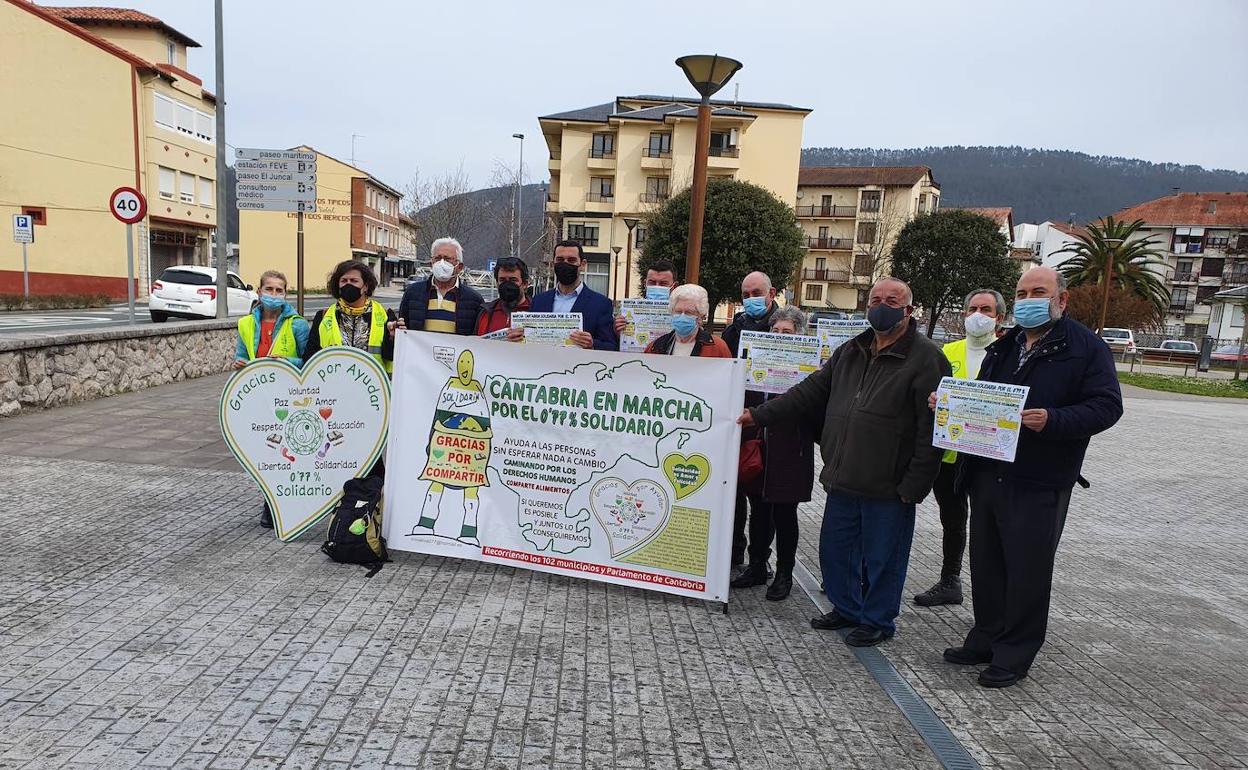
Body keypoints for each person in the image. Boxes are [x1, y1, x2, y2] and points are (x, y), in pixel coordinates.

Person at [739, 278, 949, 647]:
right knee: (836, 550)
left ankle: (878, 619)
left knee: (883, 557)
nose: (881, 306)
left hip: (889, 482)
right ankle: (846, 607)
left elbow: (931, 427)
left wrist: (916, 484)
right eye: (875, 300)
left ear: (908, 310)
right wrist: (759, 415)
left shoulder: (927, 357)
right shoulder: (850, 350)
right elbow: (808, 392)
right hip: (842, 474)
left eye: (892, 300)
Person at [939, 267, 1122, 688]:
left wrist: (1054, 420)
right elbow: (982, 398)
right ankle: (985, 637)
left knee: (1027, 569)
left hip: (1039, 479)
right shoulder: (1006, 346)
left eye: (1038, 292)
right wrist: (948, 404)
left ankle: (1014, 654)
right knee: (986, 565)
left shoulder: (1085, 348)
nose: (1027, 300)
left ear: (1062, 299)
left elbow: (1107, 407)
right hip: (988, 471)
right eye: (1021, 293)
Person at [913, 289, 1007, 608]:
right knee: (952, 519)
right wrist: (932, 401)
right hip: (950, 453)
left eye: (985, 309)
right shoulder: (947, 351)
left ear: (1000, 317)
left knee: (989, 524)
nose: (977, 315)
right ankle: (950, 579)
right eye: (971, 309)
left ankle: (993, 589)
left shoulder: (1009, 353)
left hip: (989, 457)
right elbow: (932, 391)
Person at [729, 305, 815, 600]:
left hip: (791, 449)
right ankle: (756, 565)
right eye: (775, 331)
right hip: (758, 446)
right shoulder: (753, 362)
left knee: (785, 513)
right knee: (759, 510)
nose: (779, 337)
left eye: (787, 332)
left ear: (800, 336)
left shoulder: (809, 371)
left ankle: (784, 573)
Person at [232, 269, 310, 528]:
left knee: (286, 453)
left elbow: (309, 360)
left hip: (288, 398)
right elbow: (242, 355)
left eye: (279, 290)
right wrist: (240, 365)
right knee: (266, 453)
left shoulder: (296, 324)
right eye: (270, 289)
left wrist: (287, 362)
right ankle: (271, 500)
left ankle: (280, 506)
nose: (274, 295)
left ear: (286, 294)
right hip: (260, 397)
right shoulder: (246, 324)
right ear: (259, 292)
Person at [722, 271, 781, 567]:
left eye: (756, 292)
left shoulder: (785, 328)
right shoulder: (734, 330)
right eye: (745, 295)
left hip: (771, 425)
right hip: (737, 421)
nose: (751, 299)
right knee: (733, 496)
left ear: (771, 294)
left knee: (763, 501)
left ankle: (760, 560)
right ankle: (732, 555)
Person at [305, 259, 397, 373]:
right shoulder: (323, 316)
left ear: (366, 286)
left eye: (354, 281)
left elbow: (393, 356)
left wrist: (393, 338)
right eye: (344, 280)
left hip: (373, 385)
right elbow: (310, 358)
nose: (348, 284)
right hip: (333, 384)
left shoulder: (385, 315)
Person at [523, 240, 617, 350]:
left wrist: (592, 344)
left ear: (582, 265)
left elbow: (611, 346)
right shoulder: (539, 301)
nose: (565, 264)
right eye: (560, 260)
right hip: (544, 364)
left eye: (571, 260)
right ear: (553, 264)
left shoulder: (601, 304)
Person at [396, 237, 484, 335]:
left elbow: (477, 339)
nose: (441, 263)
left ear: (459, 267)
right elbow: (403, 329)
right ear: (431, 263)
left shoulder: (474, 300)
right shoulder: (413, 293)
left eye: (447, 259)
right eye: (437, 258)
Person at [642, 284, 731, 357]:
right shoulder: (656, 346)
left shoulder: (717, 348)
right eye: (678, 311)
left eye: (689, 313)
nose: (682, 316)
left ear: (701, 317)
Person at [613, 259, 680, 337]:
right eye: (652, 282)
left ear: (674, 286)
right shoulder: (627, 310)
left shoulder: (682, 313)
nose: (657, 287)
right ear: (645, 283)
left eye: (663, 284)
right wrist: (618, 333)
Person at [476, 257, 531, 335]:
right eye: (502, 280)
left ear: (525, 284)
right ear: (497, 283)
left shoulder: (537, 311)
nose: (507, 285)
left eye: (513, 280)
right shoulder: (485, 313)